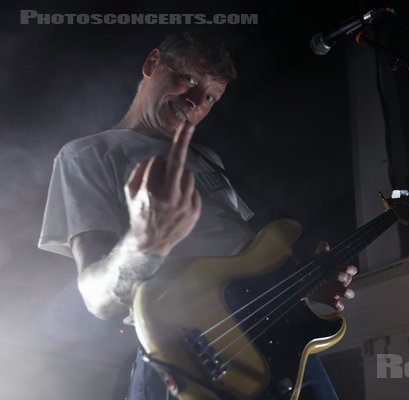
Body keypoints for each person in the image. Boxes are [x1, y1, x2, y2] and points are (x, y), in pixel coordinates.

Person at [38, 29, 356, 400]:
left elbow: (249, 258)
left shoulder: (211, 160)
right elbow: (97, 298)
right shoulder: (88, 155)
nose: (194, 101)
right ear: (151, 63)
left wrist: (302, 283)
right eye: (188, 79)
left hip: (274, 335)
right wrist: (146, 244)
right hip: (189, 353)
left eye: (209, 96)